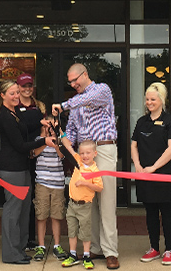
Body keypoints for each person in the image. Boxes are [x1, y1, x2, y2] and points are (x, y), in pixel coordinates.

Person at [53, 64, 119, 270]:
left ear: (85, 74)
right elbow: (71, 132)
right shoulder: (74, 104)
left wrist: (63, 105)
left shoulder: (102, 90)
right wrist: (61, 140)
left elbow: (86, 99)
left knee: (107, 203)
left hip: (103, 149)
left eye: (75, 80)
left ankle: (110, 251)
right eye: (70, 82)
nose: (73, 84)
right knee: (87, 203)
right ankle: (95, 248)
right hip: (83, 156)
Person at [0, 80, 49, 265]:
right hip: (11, 168)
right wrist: (43, 141)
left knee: (24, 209)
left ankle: (19, 249)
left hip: (22, 166)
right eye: (12, 93)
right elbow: (20, 145)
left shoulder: (16, 112)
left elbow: (26, 134)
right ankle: (10, 254)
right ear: (2, 95)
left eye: (17, 92)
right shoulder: (5, 117)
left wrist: (42, 125)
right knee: (13, 210)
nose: (17, 96)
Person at [131, 82, 171, 266]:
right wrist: (137, 165)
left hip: (164, 175)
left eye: (153, 99)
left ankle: (169, 249)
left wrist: (153, 167)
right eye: (147, 99)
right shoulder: (141, 122)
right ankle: (154, 247)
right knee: (150, 212)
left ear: (161, 100)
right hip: (145, 175)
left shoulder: (170, 121)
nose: (149, 102)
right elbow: (133, 145)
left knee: (166, 211)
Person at [57, 139, 104, 270]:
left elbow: (99, 188)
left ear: (95, 153)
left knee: (85, 232)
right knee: (72, 230)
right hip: (72, 204)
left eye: (88, 153)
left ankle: (86, 255)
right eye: (82, 153)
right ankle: (72, 254)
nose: (84, 156)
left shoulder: (95, 170)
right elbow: (68, 147)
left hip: (84, 206)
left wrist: (85, 183)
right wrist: (61, 132)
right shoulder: (78, 162)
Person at [31, 114, 68, 262]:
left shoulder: (60, 141)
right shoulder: (37, 140)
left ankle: (57, 244)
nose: (49, 129)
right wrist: (45, 141)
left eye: (52, 126)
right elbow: (33, 154)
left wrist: (56, 142)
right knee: (41, 214)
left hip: (58, 183)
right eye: (47, 126)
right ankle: (41, 245)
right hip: (42, 183)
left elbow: (62, 157)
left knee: (57, 215)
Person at [17, 73, 46, 251]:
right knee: (21, 197)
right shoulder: (14, 106)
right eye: (24, 86)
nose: (27, 89)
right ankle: (21, 237)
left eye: (30, 86)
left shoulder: (39, 106)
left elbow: (44, 129)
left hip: (37, 155)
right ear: (18, 87)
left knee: (34, 197)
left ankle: (31, 238)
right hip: (20, 154)